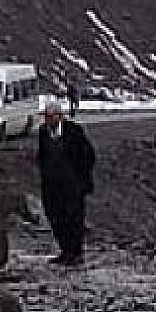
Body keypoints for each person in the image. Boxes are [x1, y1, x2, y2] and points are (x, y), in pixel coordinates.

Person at [36, 100, 96, 265]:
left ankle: (76, 252)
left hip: (73, 184)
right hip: (52, 185)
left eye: (50, 116)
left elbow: (88, 155)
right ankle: (65, 250)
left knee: (73, 218)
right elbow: (42, 156)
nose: (48, 120)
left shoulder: (74, 131)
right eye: (46, 117)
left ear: (60, 116)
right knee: (55, 217)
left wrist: (80, 178)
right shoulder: (43, 132)